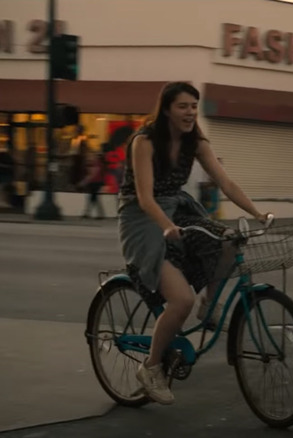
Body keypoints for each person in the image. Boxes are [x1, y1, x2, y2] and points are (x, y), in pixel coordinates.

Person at [117, 81, 270, 405]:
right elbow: (145, 198)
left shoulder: (195, 142)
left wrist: (257, 212)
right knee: (180, 300)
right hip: (142, 217)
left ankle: (208, 308)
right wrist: (167, 226)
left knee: (229, 241)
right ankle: (152, 368)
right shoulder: (144, 141)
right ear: (167, 109)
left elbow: (225, 181)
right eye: (183, 106)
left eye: (193, 106)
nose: (189, 113)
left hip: (177, 207)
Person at [77, 152, 106, 219]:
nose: (88, 158)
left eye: (90, 156)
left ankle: (95, 214)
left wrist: (83, 182)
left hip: (95, 182)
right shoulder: (97, 164)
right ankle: (94, 213)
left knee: (93, 198)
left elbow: (92, 175)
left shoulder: (95, 164)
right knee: (93, 198)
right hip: (96, 182)